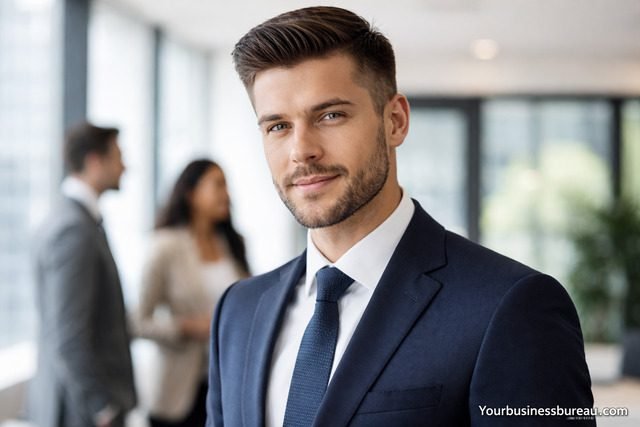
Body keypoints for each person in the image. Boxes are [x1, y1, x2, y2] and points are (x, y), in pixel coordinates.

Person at [207, 6, 594, 426]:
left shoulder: (511, 307)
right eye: (278, 126)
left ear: (395, 120)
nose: (302, 150)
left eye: (330, 115)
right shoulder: (238, 312)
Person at [29, 122, 136, 427]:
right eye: (118, 156)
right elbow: (68, 336)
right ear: (94, 161)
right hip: (80, 412)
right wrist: (102, 407)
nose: (125, 166)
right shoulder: (73, 230)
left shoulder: (75, 220)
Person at [133, 159, 250, 427]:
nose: (227, 194)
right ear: (191, 193)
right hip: (178, 391)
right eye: (218, 185)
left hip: (227, 384)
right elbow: (137, 322)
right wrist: (186, 327)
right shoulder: (166, 247)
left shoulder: (233, 244)